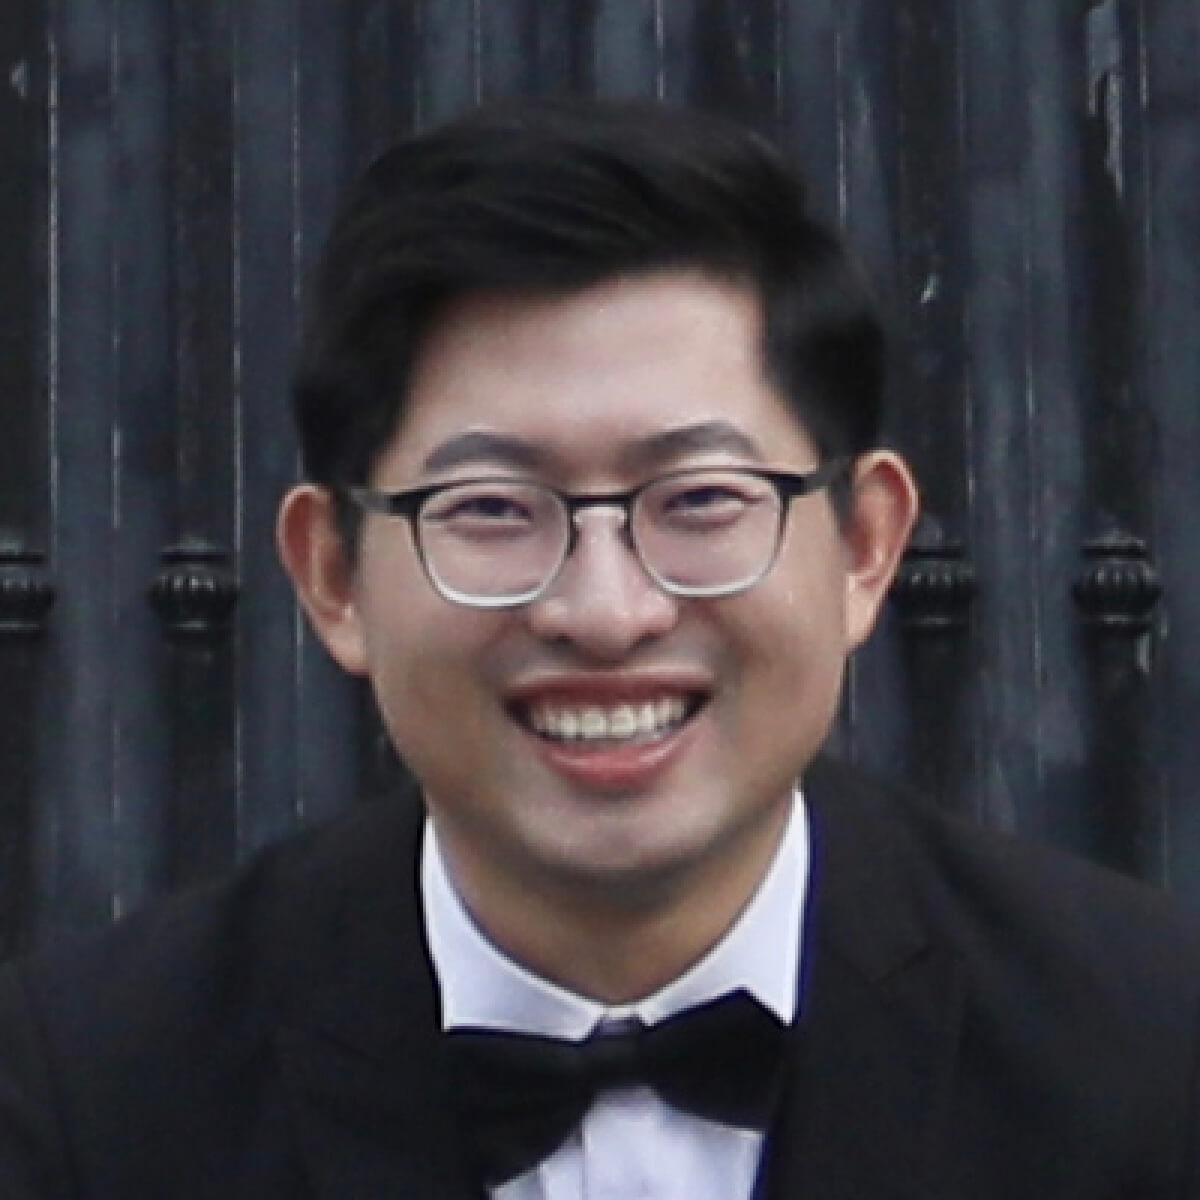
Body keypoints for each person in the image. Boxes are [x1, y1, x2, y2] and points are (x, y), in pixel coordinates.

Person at [1, 97, 1198, 1199]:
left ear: (865, 547)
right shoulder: (89, 1097)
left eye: (701, 499)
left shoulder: (1151, 1055)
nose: (607, 610)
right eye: (491, 509)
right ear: (332, 575)